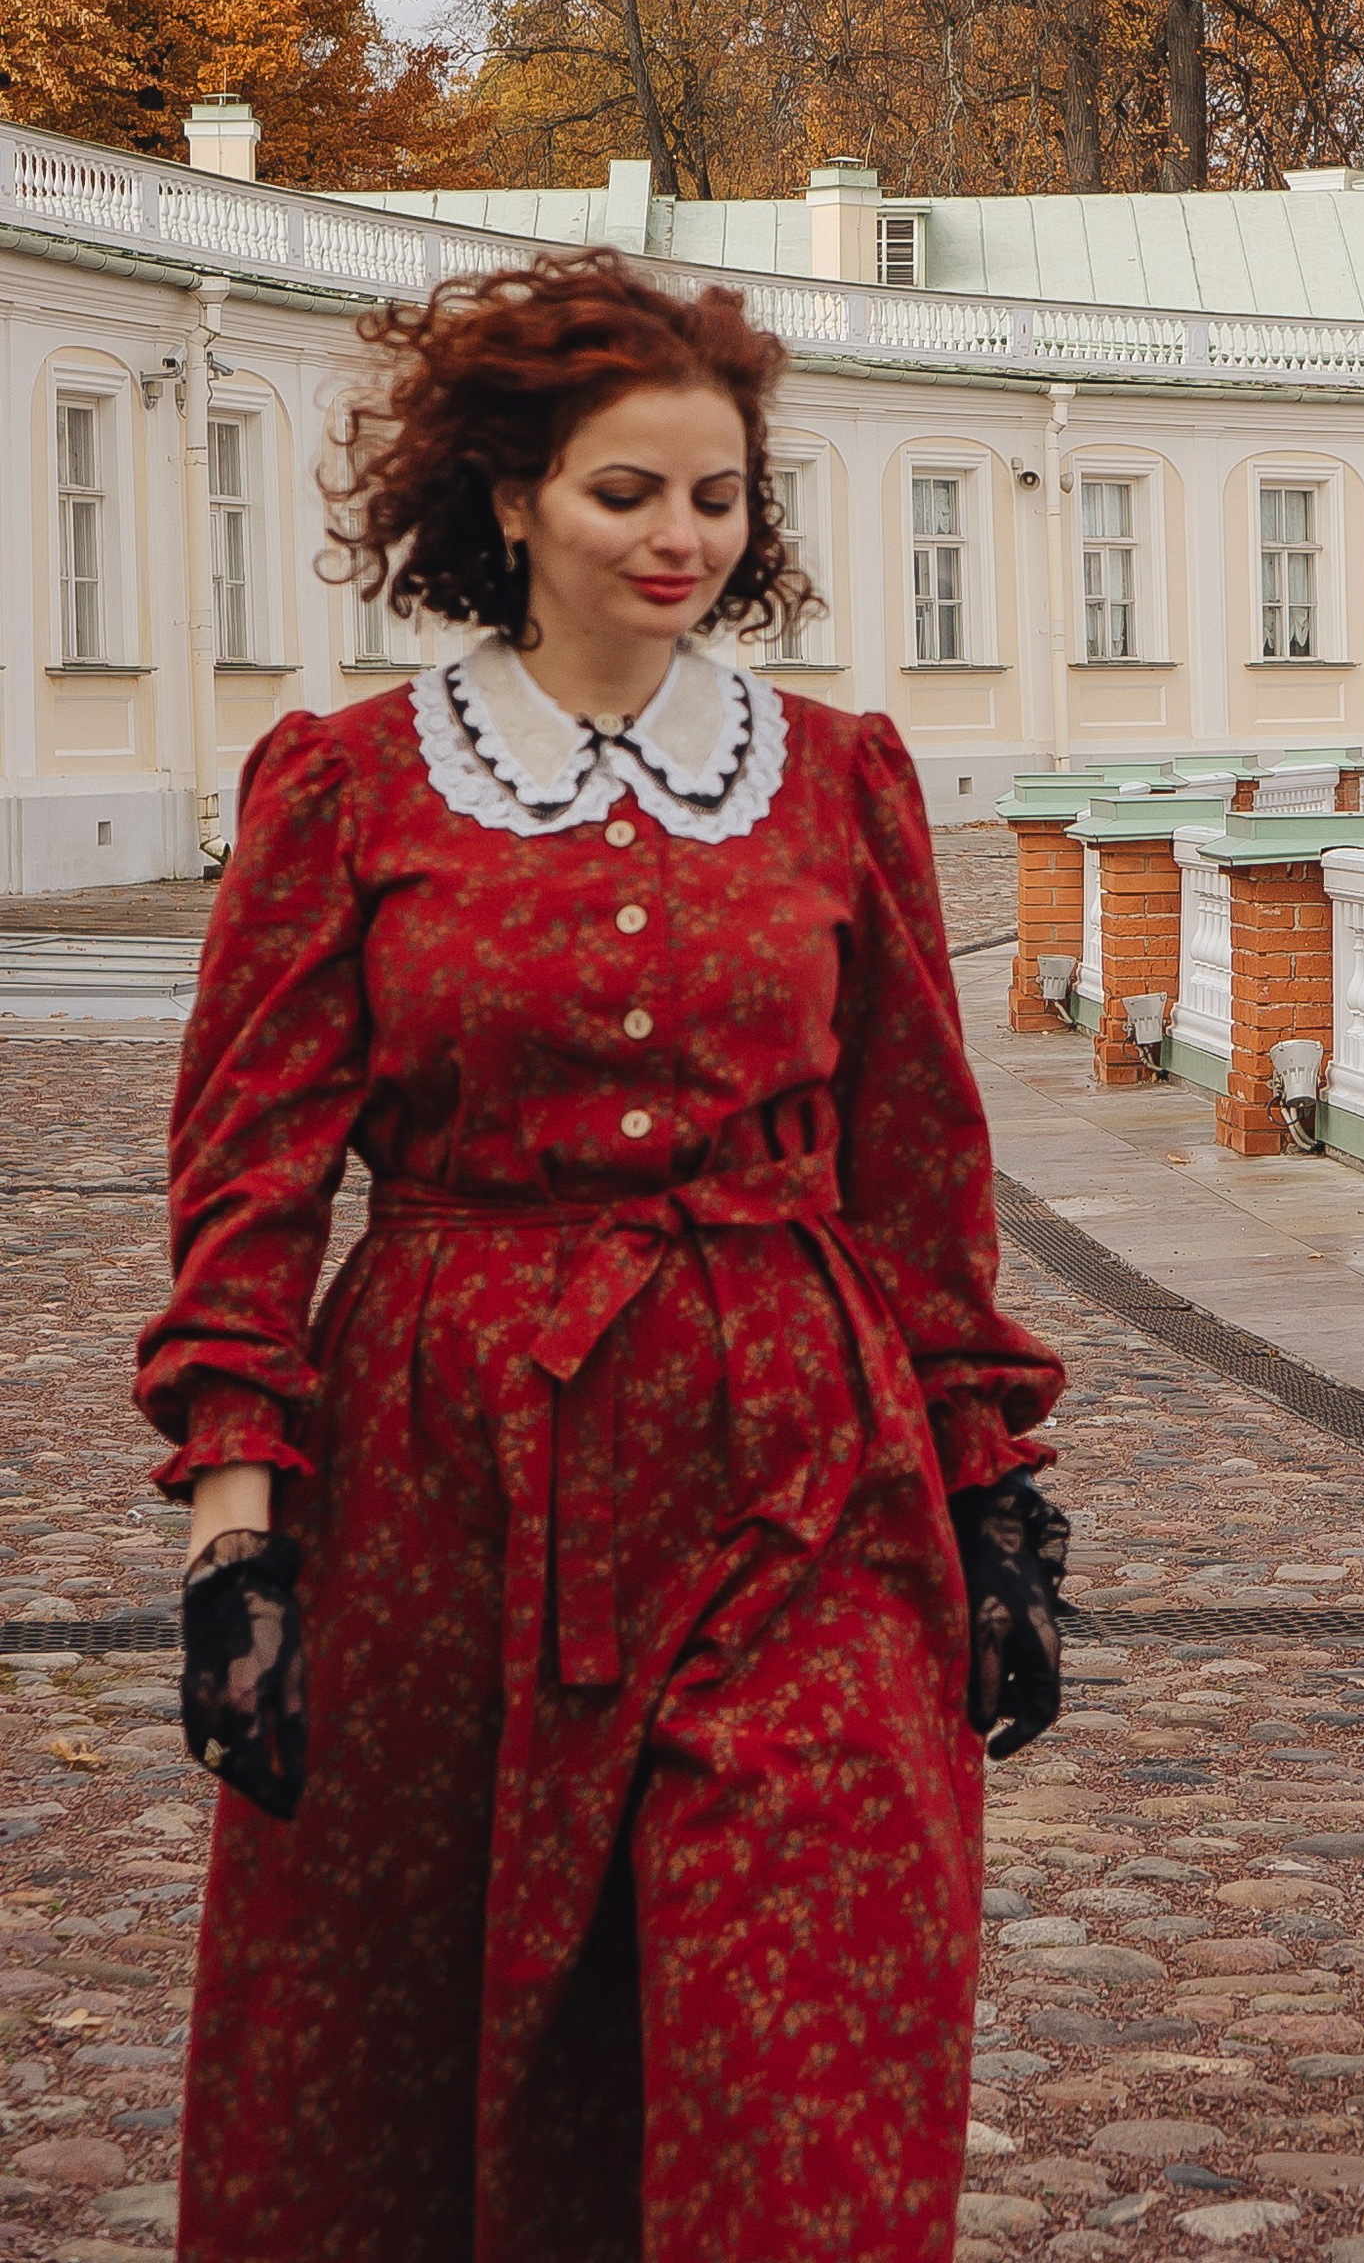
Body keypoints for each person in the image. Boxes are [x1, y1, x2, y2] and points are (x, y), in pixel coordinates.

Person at [134, 250, 1067, 2263]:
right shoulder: (353, 787)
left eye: (716, 497)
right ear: (506, 501)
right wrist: (237, 1531)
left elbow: (916, 1166)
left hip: (798, 1457)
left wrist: (995, 1499)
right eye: (625, 493)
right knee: (422, 2026)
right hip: (444, 1470)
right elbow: (253, 1181)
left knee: (798, 2014)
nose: (681, 541)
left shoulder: (833, 784)